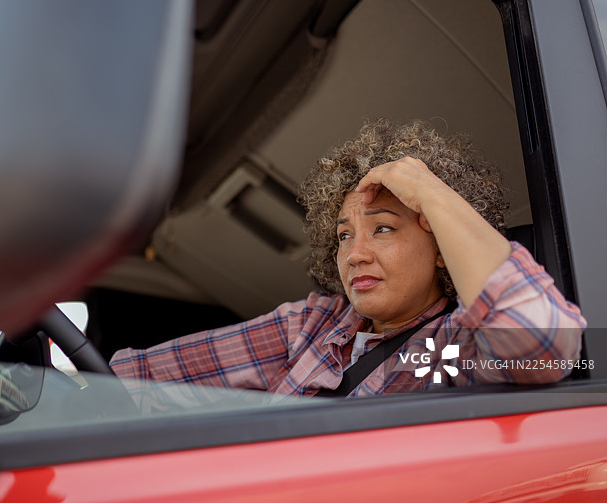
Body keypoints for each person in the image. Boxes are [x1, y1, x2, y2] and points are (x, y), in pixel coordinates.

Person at [109, 118, 587, 398]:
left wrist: (430, 193)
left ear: (440, 248)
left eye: (382, 229)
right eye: (343, 236)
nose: (355, 255)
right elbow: (142, 381)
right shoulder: (313, 325)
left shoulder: (451, 348)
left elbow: (541, 343)